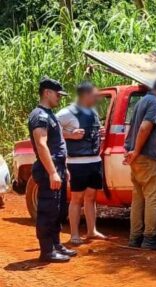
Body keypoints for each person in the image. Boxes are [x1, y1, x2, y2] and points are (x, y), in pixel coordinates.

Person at [28, 78, 78, 263]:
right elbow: (42, 145)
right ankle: (46, 251)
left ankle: (56, 245)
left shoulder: (50, 114)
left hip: (57, 167)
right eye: (58, 94)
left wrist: (63, 169)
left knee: (58, 209)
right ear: (47, 92)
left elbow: (58, 143)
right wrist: (52, 172)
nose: (60, 98)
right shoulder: (39, 116)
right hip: (48, 168)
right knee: (48, 210)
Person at [123, 77, 156, 249]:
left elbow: (132, 127)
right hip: (148, 157)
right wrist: (137, 150)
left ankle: (135, 237)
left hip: (137, 158)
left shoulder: (141, 101)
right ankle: (150, 237)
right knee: (154, 197)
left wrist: (131, 150)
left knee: (138, 197)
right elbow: (145, 127)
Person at [57, 81, 105, 245]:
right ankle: (74, 234)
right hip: (77, 162)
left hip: (95, 161)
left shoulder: (93, 112)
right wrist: (70, 134)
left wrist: (100, 132)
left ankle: (92, 231)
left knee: (91, 197)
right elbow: (50, 129)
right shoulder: (66, 113)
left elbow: (94, 132)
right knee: (77, 198)